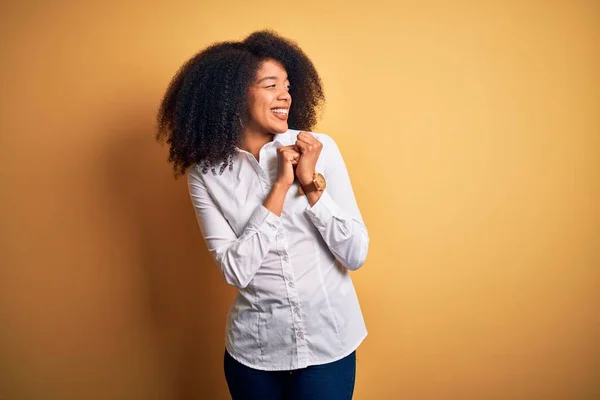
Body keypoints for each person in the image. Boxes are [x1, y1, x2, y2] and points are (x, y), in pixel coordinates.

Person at [156, 30, 370, 400]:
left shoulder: (319, 150)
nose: (285, 94)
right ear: (233, 96)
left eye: (287, 85)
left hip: (329, 341)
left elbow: (355, 254)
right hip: (255, 353)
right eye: (271, 85)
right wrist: (279, 189)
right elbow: (235, 271)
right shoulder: (206, 174)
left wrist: (309, 184)